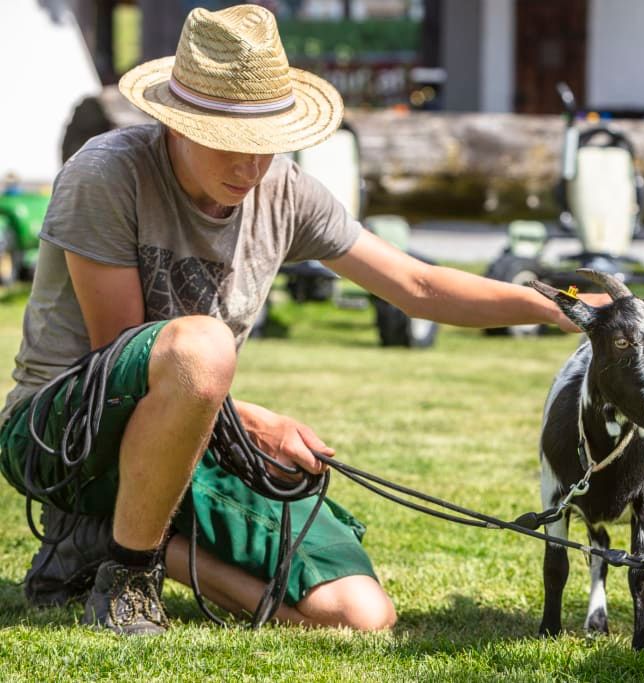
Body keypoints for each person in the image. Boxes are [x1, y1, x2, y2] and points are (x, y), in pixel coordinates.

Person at [0, 4, 591, 636]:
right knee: (204, 345)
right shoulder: (107, 173)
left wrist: (556, 303)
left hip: (193, 434)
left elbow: (418, 286)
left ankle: (108, 544)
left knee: (360, 617)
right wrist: (254, 425)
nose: (250, 167)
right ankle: (128, 577)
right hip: (63, 435)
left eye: (267, 143)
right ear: (177, 122)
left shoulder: (283, 190)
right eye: (230, 142)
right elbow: (120, 358)